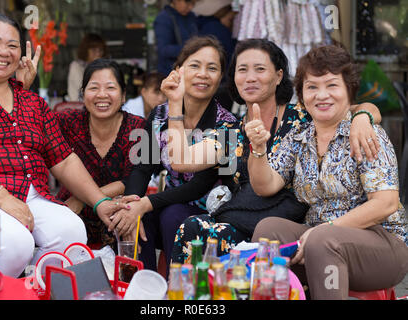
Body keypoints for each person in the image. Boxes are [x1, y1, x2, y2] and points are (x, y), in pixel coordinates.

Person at [170, 39, 383, 264]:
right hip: (243, 218)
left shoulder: (303, 116)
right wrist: (175, 103)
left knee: (212, 234)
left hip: (291, 226)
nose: (250, 77)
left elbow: (364, 108)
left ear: (279, 76)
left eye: (260, 69)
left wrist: (362, 118)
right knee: (192, 228)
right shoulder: (230, 133)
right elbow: (180, 160)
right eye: (242, 70)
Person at [0, 14, 133, 278]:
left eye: (13, 46)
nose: (3, 52)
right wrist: (3, 199)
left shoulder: (32, 102)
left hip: (33, 195)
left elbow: (63, 159)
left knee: (72, 232)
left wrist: (100, 202)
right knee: (16, 243)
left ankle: (31, 286)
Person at [248, 45, 408, 300]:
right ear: (302, 96)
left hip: (382, 246)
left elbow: (386, 203)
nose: (322, 95)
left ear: (349, 91)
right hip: (321, 241)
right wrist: (258, 148)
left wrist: (327, 229)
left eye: (332, 85)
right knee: (269, 230)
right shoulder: (299, 137)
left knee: (323, 239)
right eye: (312, 87)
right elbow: (265, 185)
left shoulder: (366, 132)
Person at [108, 36, 238, 276]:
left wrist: (145, 204)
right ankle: (141, 289)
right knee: (137, 219)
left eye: (212, 68)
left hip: (211, 210)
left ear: (220, 77)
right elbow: (142, 168)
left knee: (171, 216)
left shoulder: (227, 125)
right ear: (178, 71)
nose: (203, 74)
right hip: (169, 203)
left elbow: (200, 185)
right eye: (195, 65)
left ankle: (178, 291)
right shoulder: (159, 115)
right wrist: (131, 204)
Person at [56, 59, 146, 250]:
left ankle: (126, 280)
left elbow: (132, 179)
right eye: (94, 87)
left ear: (123, 96)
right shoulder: (66, 122)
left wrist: (84, 197)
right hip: (71, 210)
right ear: (83, 94)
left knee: (125, 221)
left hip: (115, 208)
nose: (102, 95)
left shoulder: (139, 127)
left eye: (110, 88)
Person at [154, 0, 198, 76]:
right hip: (170, 72)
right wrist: (191, 49)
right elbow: (163, 49)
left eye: (193, 4)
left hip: (189, 71)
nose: (190, 7)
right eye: (188, 2)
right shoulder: (163, 18)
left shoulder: (191, 16)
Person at [67, 33, 107, 101]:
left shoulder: (104, 67)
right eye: (94, 50)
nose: (98, 54)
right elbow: (79, 93)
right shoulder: (77, 66)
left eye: (100, 50)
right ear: (85, 51)